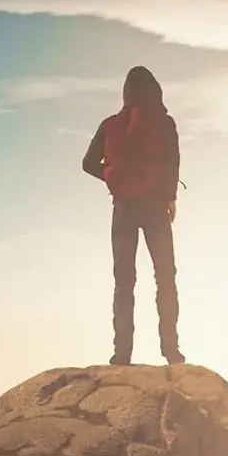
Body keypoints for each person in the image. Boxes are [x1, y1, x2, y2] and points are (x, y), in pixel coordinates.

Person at [82, 65, 185, 366]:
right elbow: (171, 162)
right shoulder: (164, 123)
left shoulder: (110, 125)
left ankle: (121, 353)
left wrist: (113, 178)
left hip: (123, 209)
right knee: (165, 277)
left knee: (124, 281)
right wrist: (170, 197)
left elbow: (88, 163)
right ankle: (172, 350)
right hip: (155, 208)